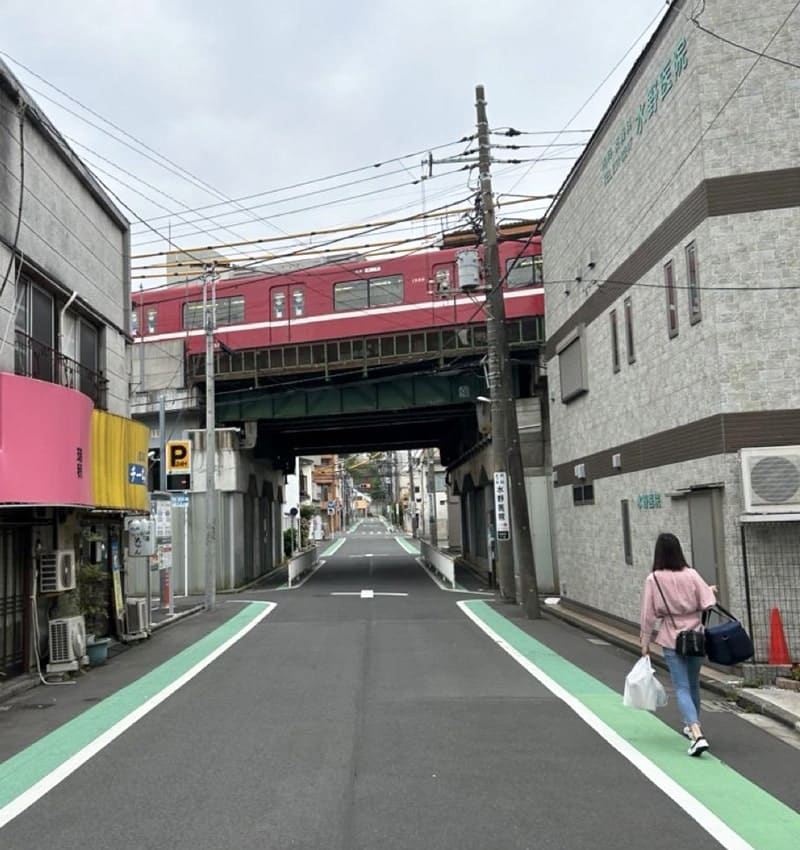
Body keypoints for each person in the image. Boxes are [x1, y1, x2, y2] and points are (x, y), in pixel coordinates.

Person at [640, 532, 716, 757]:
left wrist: (644, 641)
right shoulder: (691, 574)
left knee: (681, 686)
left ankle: (696, 733)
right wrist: (709, 591)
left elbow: (648, 614)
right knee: (693, 684)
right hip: (696, 636)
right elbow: (708, 602)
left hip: (672, 637)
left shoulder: (654, 579)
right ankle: (693, 725)